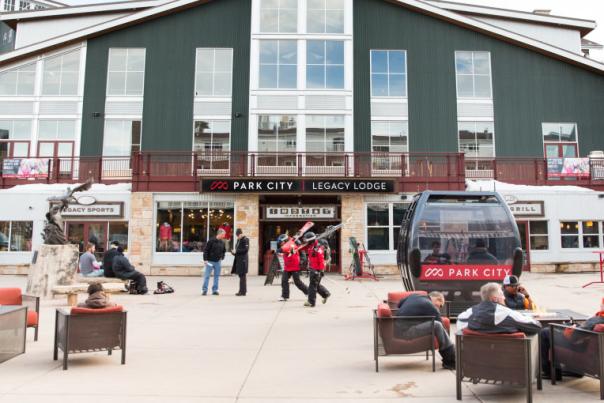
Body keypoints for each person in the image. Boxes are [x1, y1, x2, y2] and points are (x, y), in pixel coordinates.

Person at [540, 298, 604, 380]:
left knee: (545, 332)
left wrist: (570, 328)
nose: (600, 306)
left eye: (601, 304)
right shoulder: (598, 318)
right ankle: (576, 371)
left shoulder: (598, 319)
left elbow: (575, 336)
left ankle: (551, 373)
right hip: (586, 344)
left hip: (578, 345)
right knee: (559, 328)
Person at [395, 291, 455, 369]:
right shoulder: (430, 306)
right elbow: (441, 327)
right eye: (440, 306)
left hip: (398, 328)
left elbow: (399, 304)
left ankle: (450, 354)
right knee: (437, 325)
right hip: (406, 332)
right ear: (438, 299)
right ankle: (449, 359)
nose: (439, 308)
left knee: (436, 325)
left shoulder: (414, 296)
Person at [457, 282, 541, 334]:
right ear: (495, 298)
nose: (504, 297)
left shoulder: (467, 314)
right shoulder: (509, 314)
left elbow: (460, 326)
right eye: (502, 294)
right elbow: (536, 326)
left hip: (476, 359)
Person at [301, 232, 331, 307]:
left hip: (316, 270)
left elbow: (321, 260)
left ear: (311, 240)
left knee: (312, 285)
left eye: (307, 240)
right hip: (313, 268)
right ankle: (326, 294)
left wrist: (321, 270)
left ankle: (311, 302)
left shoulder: (318, 248)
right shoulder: (311, 246)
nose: (306, 242)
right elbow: (303, 247)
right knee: (315, 285)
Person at [277, 234, 309, 302]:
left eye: (281, 242)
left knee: (297, 282)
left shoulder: (293, 244)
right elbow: (288, 252)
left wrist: (301, 262)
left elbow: (299, 253)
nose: (280, 243)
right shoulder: (286, 245)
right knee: (284, 281)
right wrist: (282, 253)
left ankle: (308, 292)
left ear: (285, 240)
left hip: (295, 266)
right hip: (287, 266)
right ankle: (284, 296)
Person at [202, 228, 226, 296]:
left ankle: (215, 290)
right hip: (210, 261)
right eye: (223, 234)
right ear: (219, 234)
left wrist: (222, 257)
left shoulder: (222, 242)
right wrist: (205, 259)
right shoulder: (211, 240)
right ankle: (204, 290)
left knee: (216, 276)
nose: (224, 236)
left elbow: (224, 251)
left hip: (218, 262)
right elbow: (206, 250)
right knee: (207, 276)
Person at [231, 228, 249, 296]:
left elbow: (246, 250)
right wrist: (233, 253)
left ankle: (242, 292)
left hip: (243, 260)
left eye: (238, 235)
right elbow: (238, 250)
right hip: (238, 260)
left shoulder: (245, 239)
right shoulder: (238, 240)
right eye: (237, 235)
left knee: (242, 276)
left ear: (241, 234)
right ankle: (242, 290)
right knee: (241, 276)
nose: (238, 236)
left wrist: (237, 251)